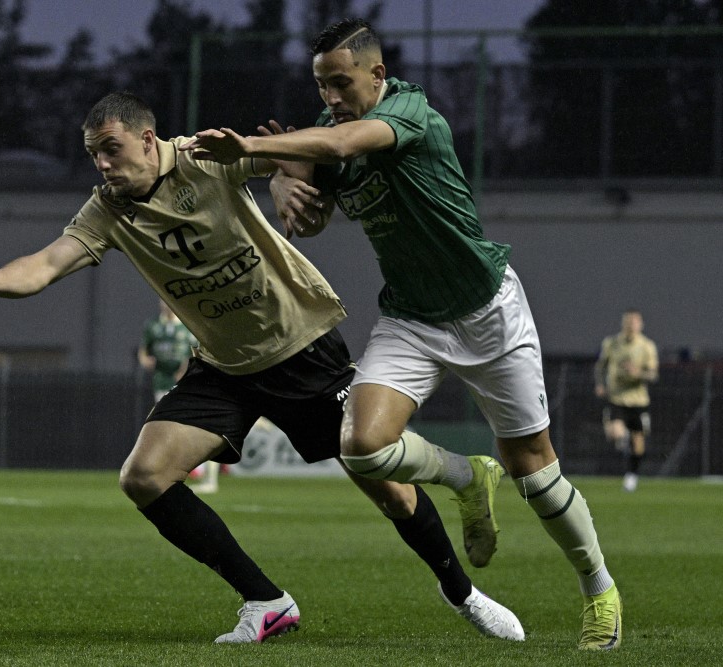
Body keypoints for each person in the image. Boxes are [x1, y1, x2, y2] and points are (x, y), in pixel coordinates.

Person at [0, 91, 523, 644]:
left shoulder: (201, 156)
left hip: (300, 347)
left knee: (391, 494)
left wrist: (278, 173)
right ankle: (266, 601)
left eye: (111, 149)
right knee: (143, 477)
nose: (102, 164)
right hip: (223, 365)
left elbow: (291, 154)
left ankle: (462, 592)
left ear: (148, 140)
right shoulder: (108, 209)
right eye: (93, 154)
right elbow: (48, 263)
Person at [182, 18, 622, 650]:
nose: (331, 97)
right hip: (412, 319)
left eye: (340, 82)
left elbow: (336, 149)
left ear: (377, 75)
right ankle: (470, 478)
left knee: (535, 470)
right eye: (321, 85)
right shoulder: (332, 129)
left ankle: (598, 589)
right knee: (361, 446)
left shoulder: (411, 112)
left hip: (488, 310)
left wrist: (257, 152)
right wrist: (282, 180)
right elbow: (311, 207)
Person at [137, 300, 220, 494]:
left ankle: (201, 473)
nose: (165, 306)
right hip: (162, 381)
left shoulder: (187, 325)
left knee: (196, 425)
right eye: (162, 302)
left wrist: (185, 370)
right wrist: (144, 360)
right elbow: (144, 349)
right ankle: (170, 468)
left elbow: (195, 353)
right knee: (165, 426)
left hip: (187, 382)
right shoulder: (153, 326)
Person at [594, 309, 658, 492]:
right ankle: (623, 436)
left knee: (639, 445)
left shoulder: (647, 346)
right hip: (617, 398)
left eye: (634, 322)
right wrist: (599, 384)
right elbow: (600, 367)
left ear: (641, 324)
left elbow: (653, 375)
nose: (631, 326)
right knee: (615, 433)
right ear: (623, 324)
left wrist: (638, 373)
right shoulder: (611, 343)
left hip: (638, 401)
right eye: (628, 322)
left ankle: (631, 476)